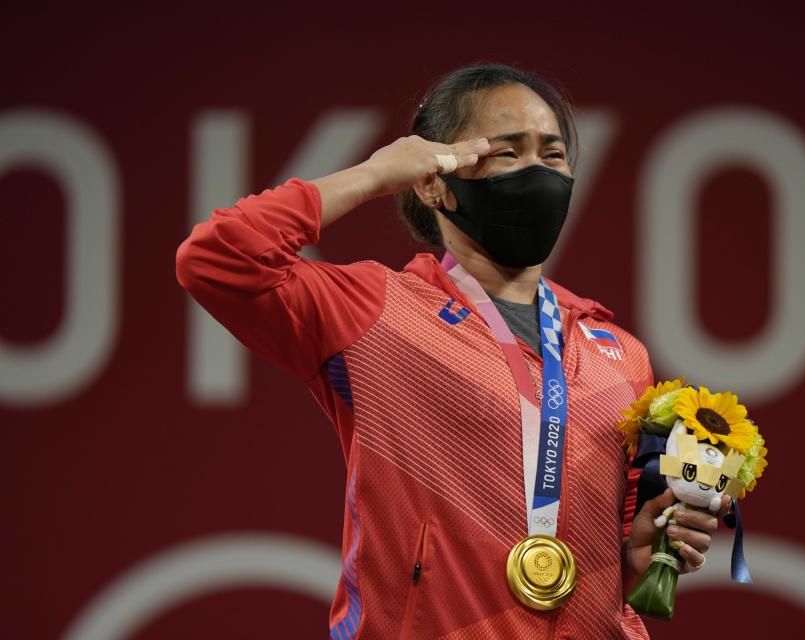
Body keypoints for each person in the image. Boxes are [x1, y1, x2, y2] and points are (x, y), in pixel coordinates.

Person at [176, 63, 726, 639]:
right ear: (436, 180)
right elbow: (217, 259)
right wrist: (373, 174)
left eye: (553, 155)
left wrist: (642, 558)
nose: (536, 172)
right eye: (507, 153)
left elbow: (620, 552)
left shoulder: (619, 354)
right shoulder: (374, 313)